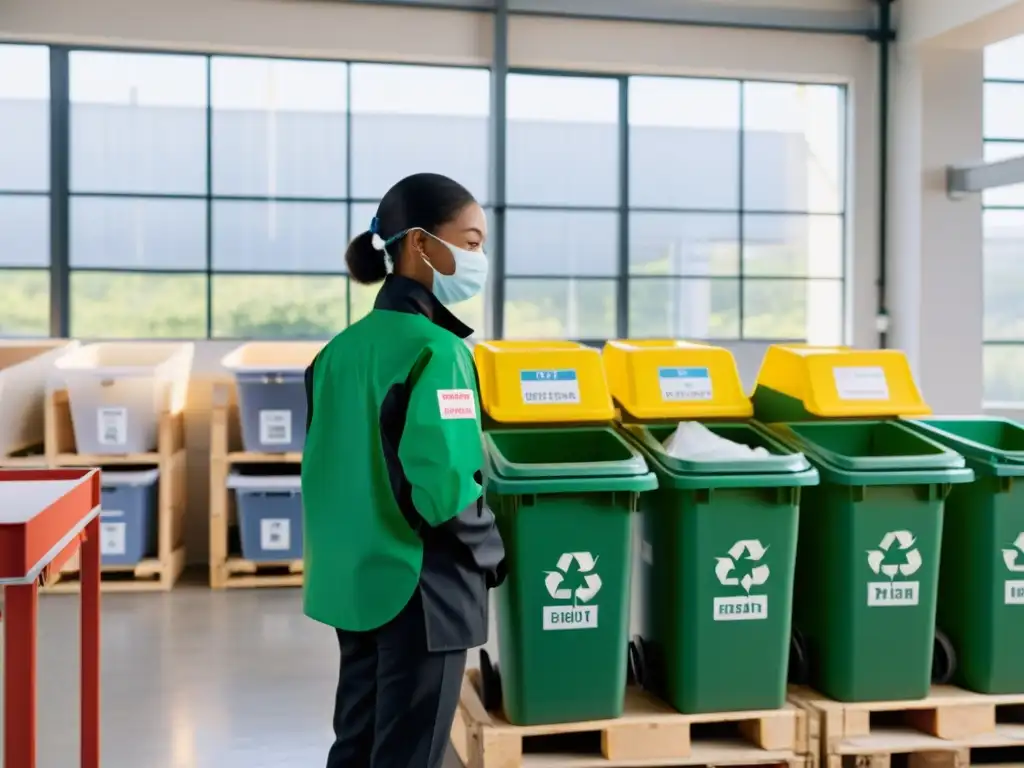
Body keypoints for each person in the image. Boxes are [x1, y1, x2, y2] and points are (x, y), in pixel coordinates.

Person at [301, 172, 507, 768]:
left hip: (354, 580)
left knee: (358, 745)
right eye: (469, 242)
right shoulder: (437, 352)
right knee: (410, 753)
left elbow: (329, 470)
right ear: (419, 243)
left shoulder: (337, 353)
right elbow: (442, 486)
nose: (479, 257)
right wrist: (491, 550)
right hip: (422, 587)